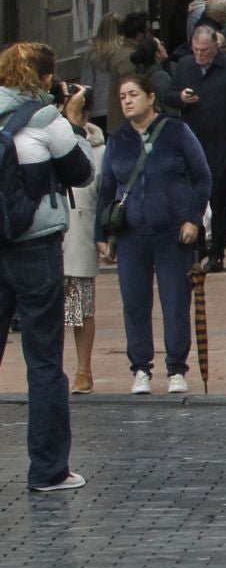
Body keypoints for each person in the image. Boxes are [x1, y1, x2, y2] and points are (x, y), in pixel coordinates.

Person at [0, 44, 95, 491]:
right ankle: (49, 469)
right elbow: (80, 172)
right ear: (43, 79)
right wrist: (72, 120)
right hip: (33, 249)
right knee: (42, 361)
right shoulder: (44, 119)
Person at [95, 73, 210, 395]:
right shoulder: (118, 140)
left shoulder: (176, 132)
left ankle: (176, 368)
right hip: (132, 234)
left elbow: (202, 177)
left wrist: (193, 219)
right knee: (134, 303)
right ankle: (141, 368)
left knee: (175, 301)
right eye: (122, 96)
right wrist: (100, 234)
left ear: (150, 97)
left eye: (133, 94)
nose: (127, 101)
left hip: (172, 233)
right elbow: (107, 189)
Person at [169, 25, 226, 270]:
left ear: (215, 47)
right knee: (192, 193)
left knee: (220, 197)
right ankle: (199, 243)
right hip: (192, 139)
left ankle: (217, 251)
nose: (200, 55)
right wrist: (180, 98)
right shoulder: (184, 65)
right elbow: (169, 95)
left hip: (222, 140)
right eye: (196, 50)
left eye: (204, 50)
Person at [63, 119, 102, 394]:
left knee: (80, 309)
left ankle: (83, 370)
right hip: (46, 236)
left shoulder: (96, 147)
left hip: (78, 233)